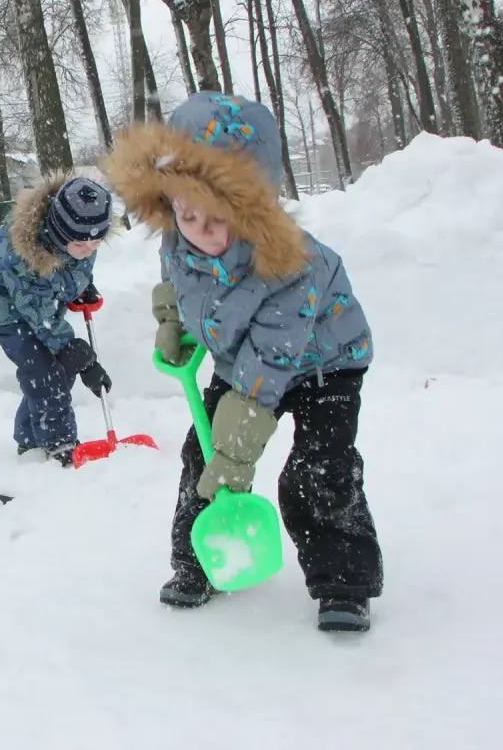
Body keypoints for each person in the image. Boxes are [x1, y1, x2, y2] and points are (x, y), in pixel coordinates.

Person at [104, 92, 383, 632]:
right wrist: (175, 323)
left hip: (325, 361)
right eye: (186, 214)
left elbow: (268, 368)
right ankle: (199, 563)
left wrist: (236, 453)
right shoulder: (180, 237)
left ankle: (343, 581)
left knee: (317, 468)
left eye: (217, 217)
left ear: (253, 206)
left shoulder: (288, 265)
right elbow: (181, 285)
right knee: (200, 456)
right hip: (246, 361)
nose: (199, 231)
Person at [0, 175, 114, 467]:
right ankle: (59, 445)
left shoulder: (80, 237)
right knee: (43, 370)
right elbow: (37, 312)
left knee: (60, 367)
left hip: (38, 294)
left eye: (97, 242)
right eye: (81, 244)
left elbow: (75, 265)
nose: (89, 250)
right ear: (59, 233)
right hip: (0, 302)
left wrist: (83, 286)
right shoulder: (25, 255)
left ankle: (29, 437)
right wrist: (79, 356)